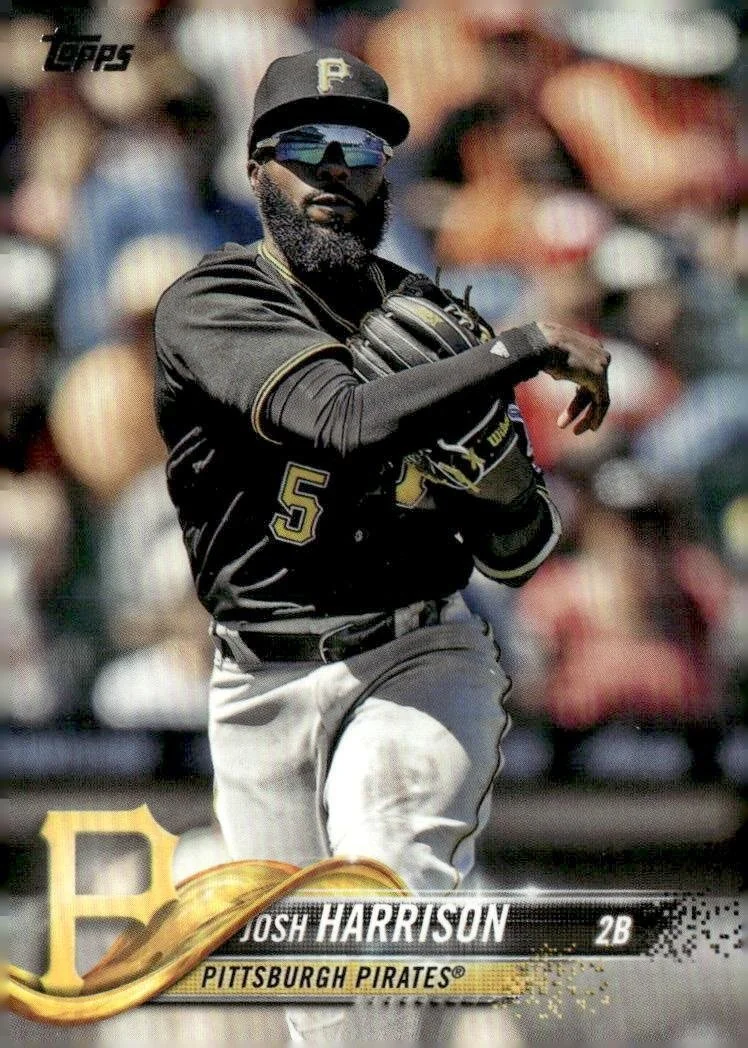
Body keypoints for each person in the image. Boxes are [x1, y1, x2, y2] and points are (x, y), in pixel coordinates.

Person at [153, 47, 609, 1041]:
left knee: (381, 883)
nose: (332, 168)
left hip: (417, 655)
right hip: (259, 685)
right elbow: (342, 420)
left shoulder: (437, 325)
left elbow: (520, 552)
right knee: (321, 1011)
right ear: (256, 168)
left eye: (357, 148)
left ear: (384, 171)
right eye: (304, 145)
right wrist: (521, 348)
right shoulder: (214, 303)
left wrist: (496, 481)